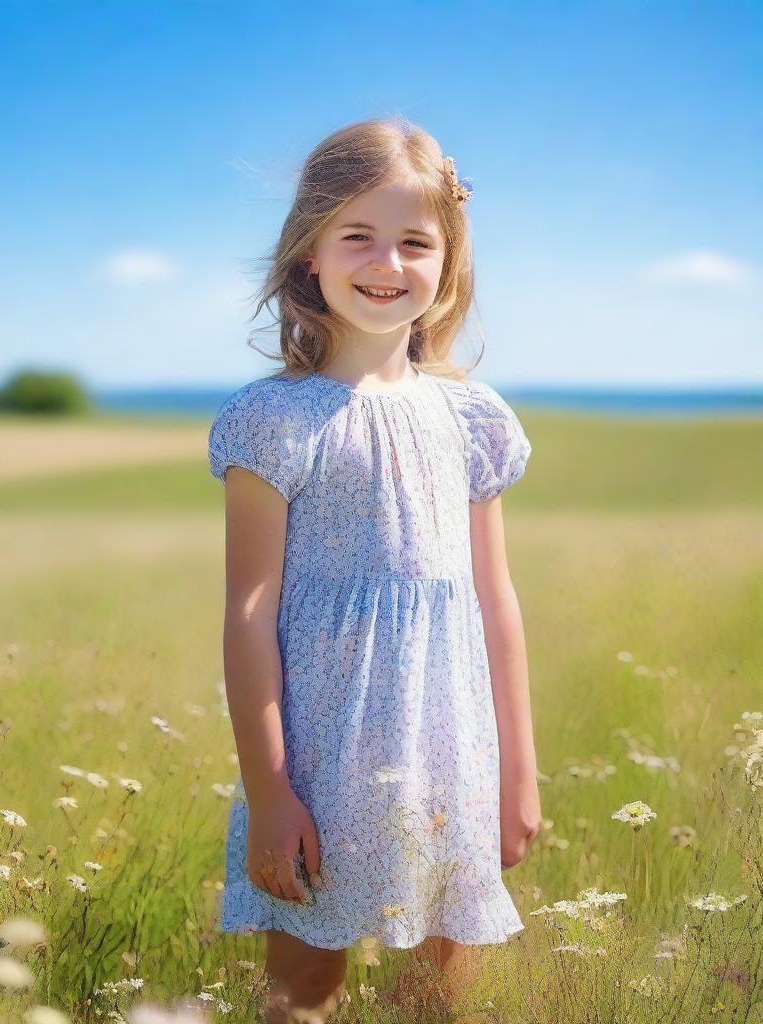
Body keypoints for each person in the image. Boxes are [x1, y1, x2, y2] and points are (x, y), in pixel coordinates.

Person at [207, 116, 542, 1023]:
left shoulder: (472, 420)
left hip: (452, 753)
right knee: (304, 990)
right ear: (310, 251)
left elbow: (494, 600)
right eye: (358, 234)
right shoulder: (273, 420)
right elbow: (248, 612)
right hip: (317, 756)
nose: (386, 260)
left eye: (415, 241)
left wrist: (520, 770)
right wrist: (271, 791)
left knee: (438, 991)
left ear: (447, 263)